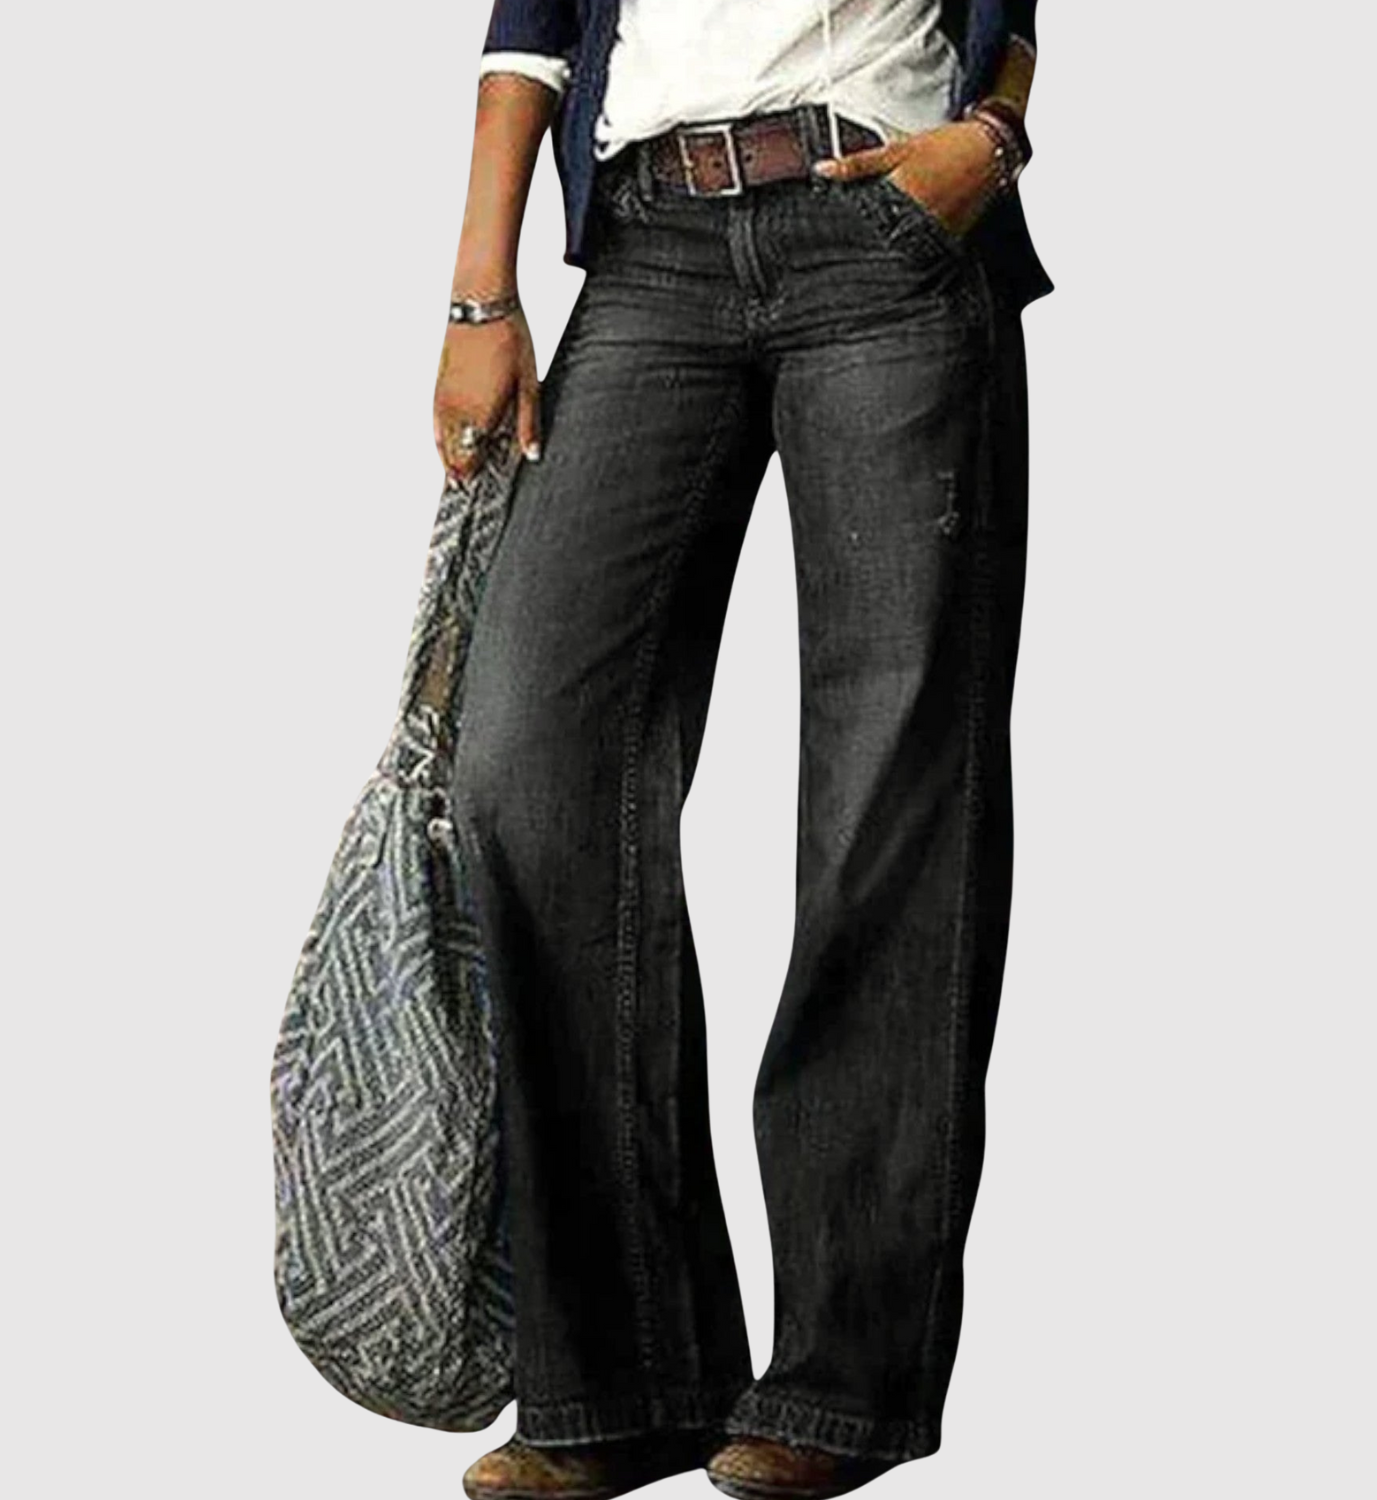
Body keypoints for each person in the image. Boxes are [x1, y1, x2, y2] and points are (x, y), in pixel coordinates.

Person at [440, 4, 1051, 1496]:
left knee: (884, 801)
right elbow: (532, 24)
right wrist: (480, 293)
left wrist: (992, 135)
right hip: (652, 246)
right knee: (525, 769)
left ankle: (846, 1383)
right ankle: (624, 1379)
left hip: (889, 225)